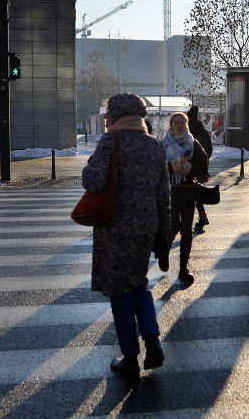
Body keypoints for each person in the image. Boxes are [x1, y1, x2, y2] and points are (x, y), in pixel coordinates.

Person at [82, 93, 169, 380]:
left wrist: (91, 163)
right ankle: (153, 343)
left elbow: (93, 181)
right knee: (139, 282)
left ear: (119, 113)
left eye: (109, 112)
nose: (107, 116)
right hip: (146, 225)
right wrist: (163, 233)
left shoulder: (111, 141)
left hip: (115, 226)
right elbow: (163, 194)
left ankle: (130, 358)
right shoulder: (154, 145)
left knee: (120, 290)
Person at [162, 112, 209, 283]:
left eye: (182, 122)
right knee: (173, 227)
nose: (180, 125)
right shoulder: (165, 143)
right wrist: (173, 165)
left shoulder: (193, 142)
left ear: (187, 124)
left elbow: (203, 164)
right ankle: (164, 254)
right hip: (171, 192)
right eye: (176, 122)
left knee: (187, 232)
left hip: (189, 191)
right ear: (171, 124)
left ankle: (183, 269)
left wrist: (188, 167)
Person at [187, 105, 213, 233]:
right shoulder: (202, 130)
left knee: (187, 192)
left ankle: (188, 221)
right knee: (196, 191)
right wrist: (204, 161)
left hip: (187, 165)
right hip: (201, 165)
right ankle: (202, 216)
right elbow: (209, 149)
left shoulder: (186, 129)